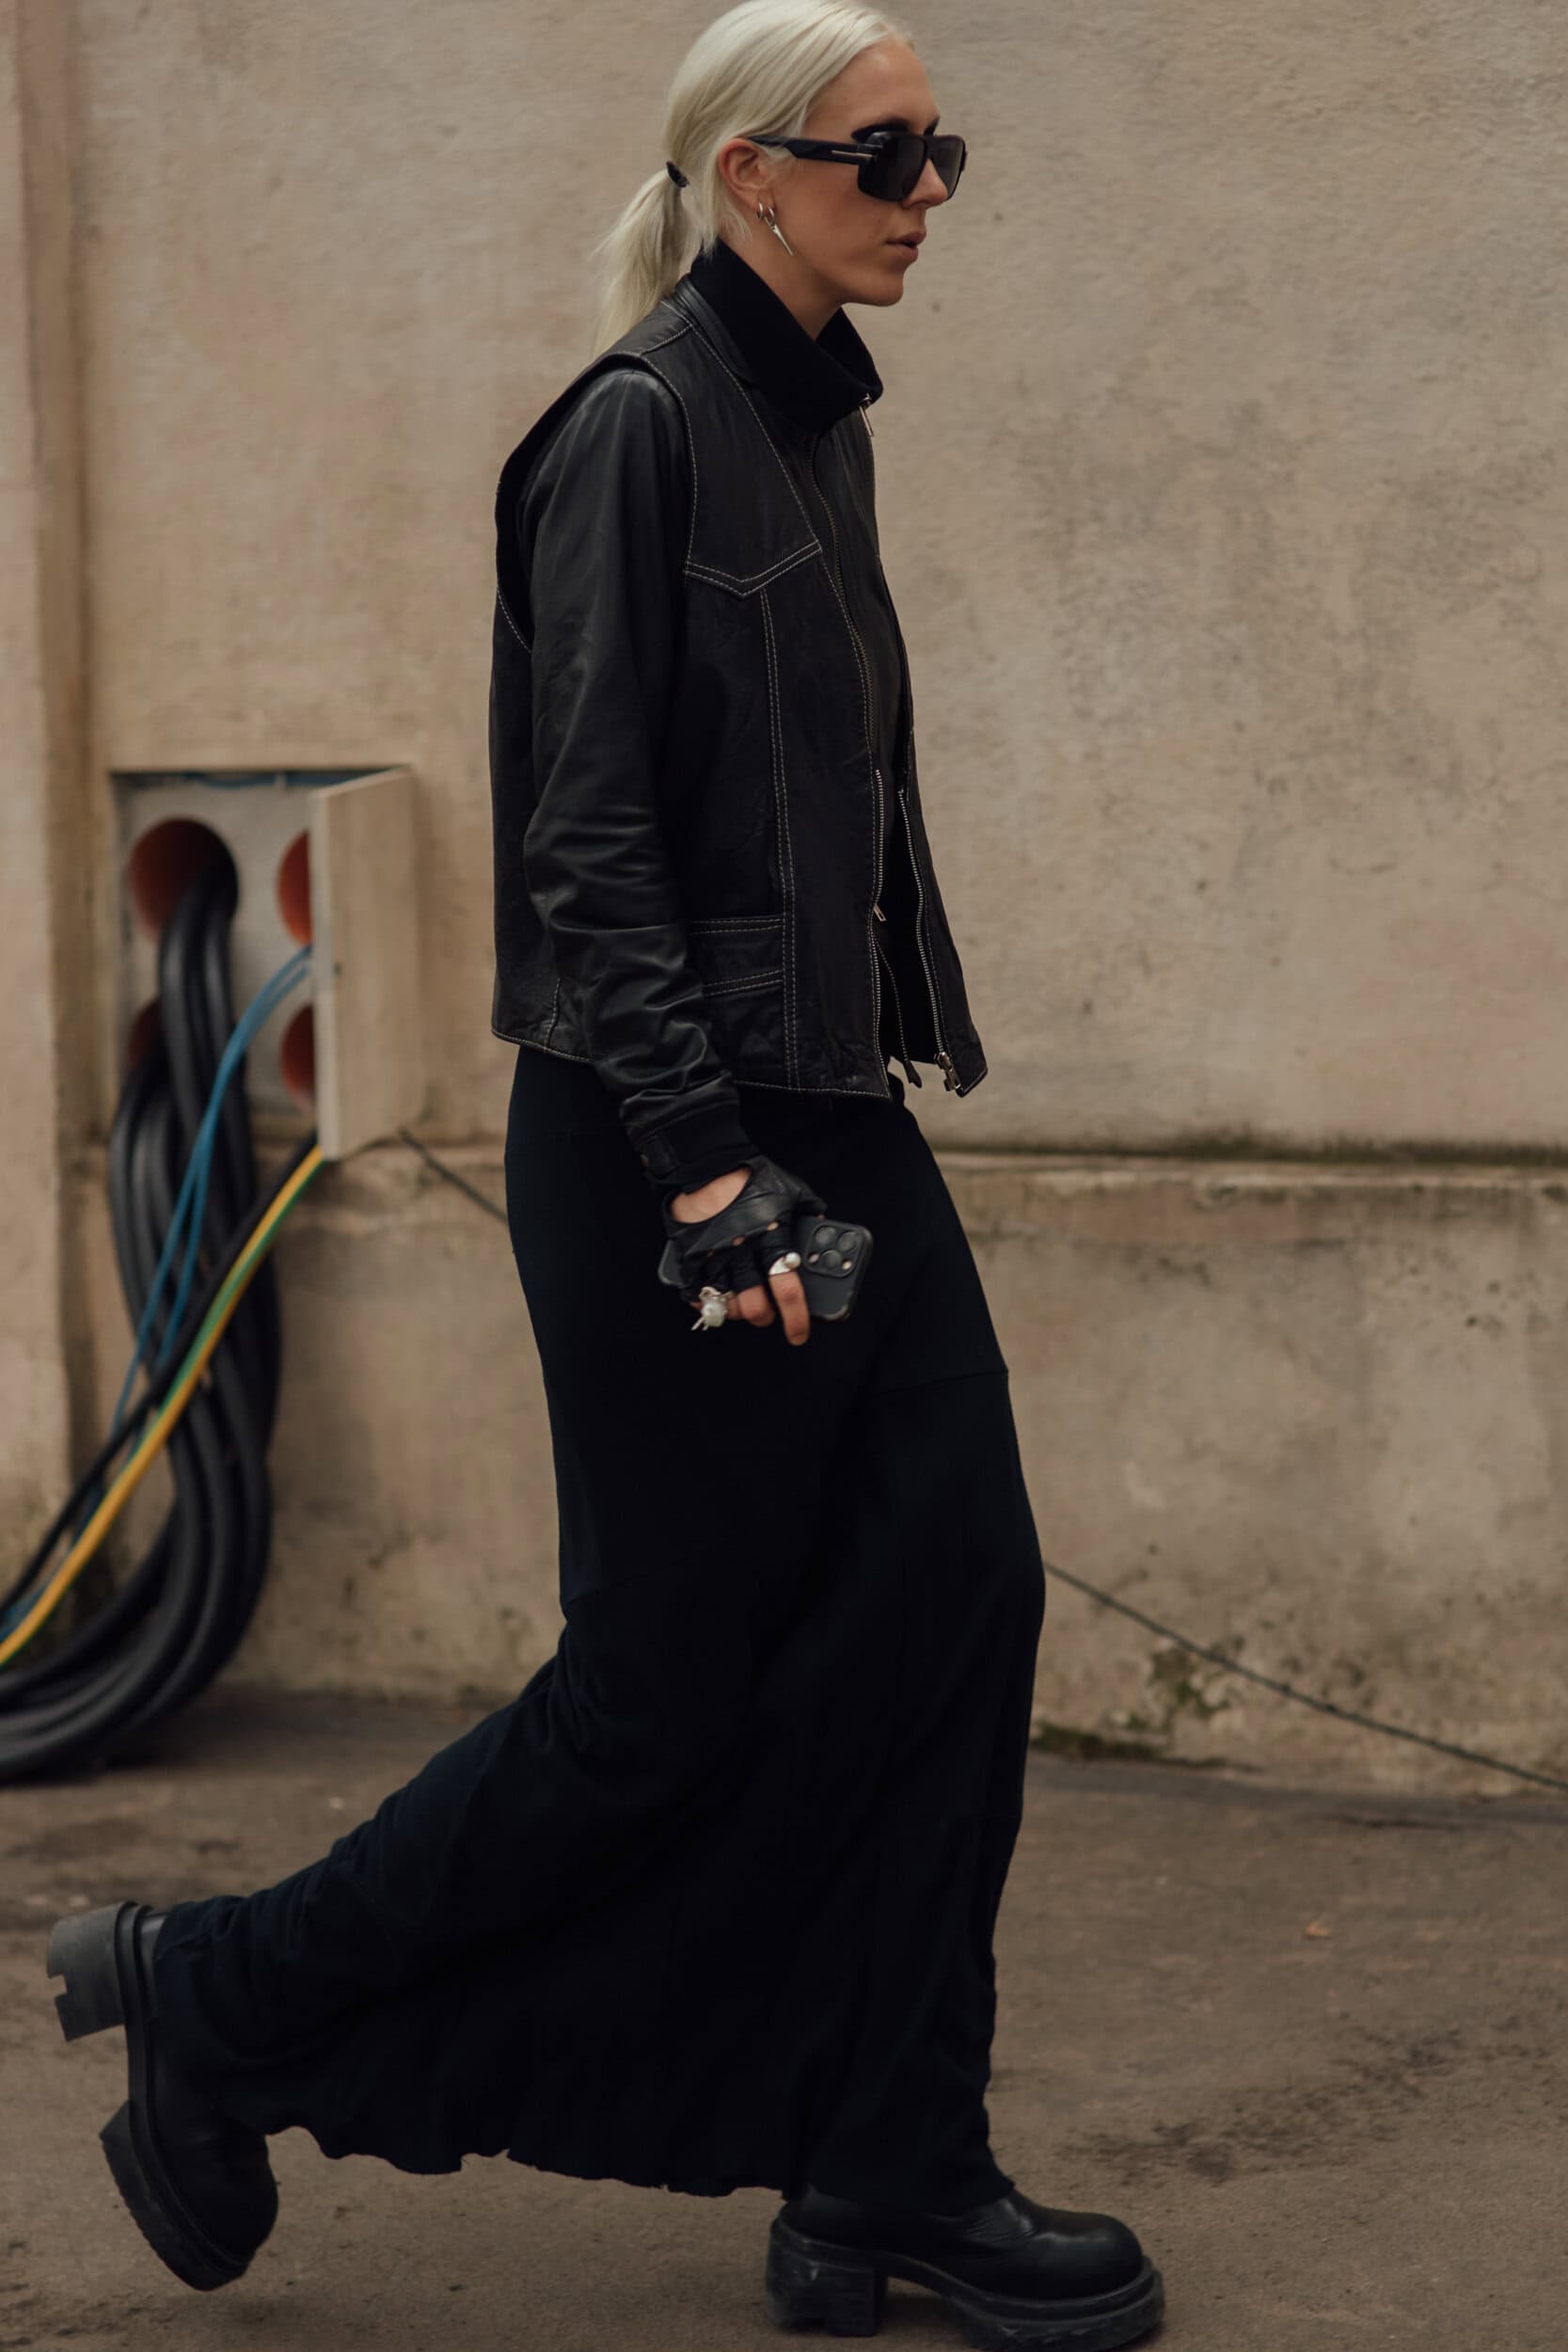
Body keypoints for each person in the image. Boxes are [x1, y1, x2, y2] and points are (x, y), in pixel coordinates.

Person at [47, 4, 1164, 2344]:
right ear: (750, 172)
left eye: (944, 154)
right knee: (661, 1695)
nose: (926, 194)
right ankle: (219, 1994)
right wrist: (701, 1175)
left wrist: (818, 1105)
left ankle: (888, 2159)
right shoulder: (635, 429)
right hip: (681, 1141)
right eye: (884, 155)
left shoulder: (814, 423)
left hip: (829, 1113)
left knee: (952, 1595)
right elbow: (591, 839)